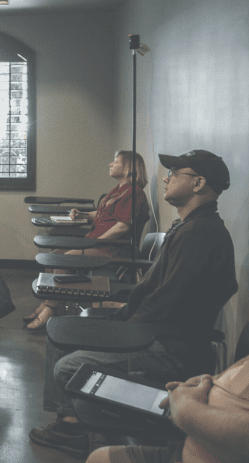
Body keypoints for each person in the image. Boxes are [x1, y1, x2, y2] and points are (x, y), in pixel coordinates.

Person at [30, 150, 238, 460]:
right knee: (59, 333)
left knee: (68, 365)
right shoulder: (187, 227)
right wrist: (117, 317)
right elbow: (153, 292)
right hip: (153, 330)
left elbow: (165, 303)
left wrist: (118, 327)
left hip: (168, 346)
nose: (166, 177)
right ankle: (70, 422)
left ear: (198, 183)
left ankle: (77, 430)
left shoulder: (200, 235)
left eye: (175, 172)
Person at [23, 150, 151, 330]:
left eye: (115, 162)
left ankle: (50, 309)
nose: (110, 164)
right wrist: (81, 214)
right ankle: (46, 304)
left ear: (128, 168)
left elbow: (123, 226)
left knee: (64, 260)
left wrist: (96, 242)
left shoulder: (134, 194)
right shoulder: (118, 191)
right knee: (53, 257)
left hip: (112, 250)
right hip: (98, 244)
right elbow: (100, 215)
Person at [86, 355, 249, 463]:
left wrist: (185, 409)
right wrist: (211, 383)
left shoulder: (185, 413)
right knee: (98, 458)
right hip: (191, 446)